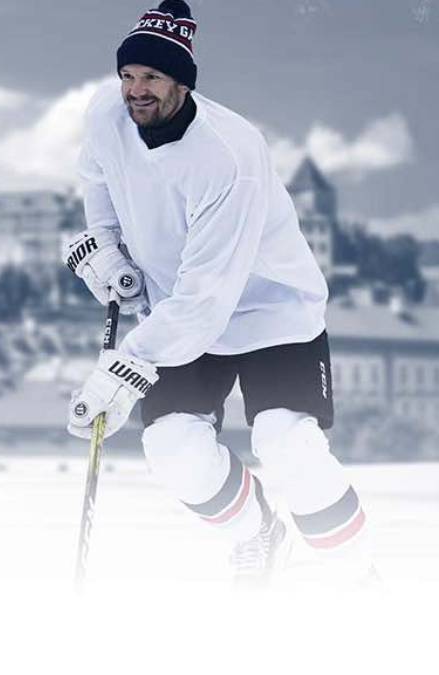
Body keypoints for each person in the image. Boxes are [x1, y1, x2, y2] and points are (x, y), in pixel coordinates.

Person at [64, 0, 373, 585]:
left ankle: (354, 574)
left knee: (289, 446)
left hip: (270, 312)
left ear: (182, 82)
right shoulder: (107, 113)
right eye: (128, 76)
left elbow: (207, 302)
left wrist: (122, 372)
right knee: (174, 450)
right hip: (176, 311)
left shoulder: (228, 157)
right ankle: (258, 534)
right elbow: (97, 183)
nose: (136, 91)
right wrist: (105, 251)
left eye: (152, 77)